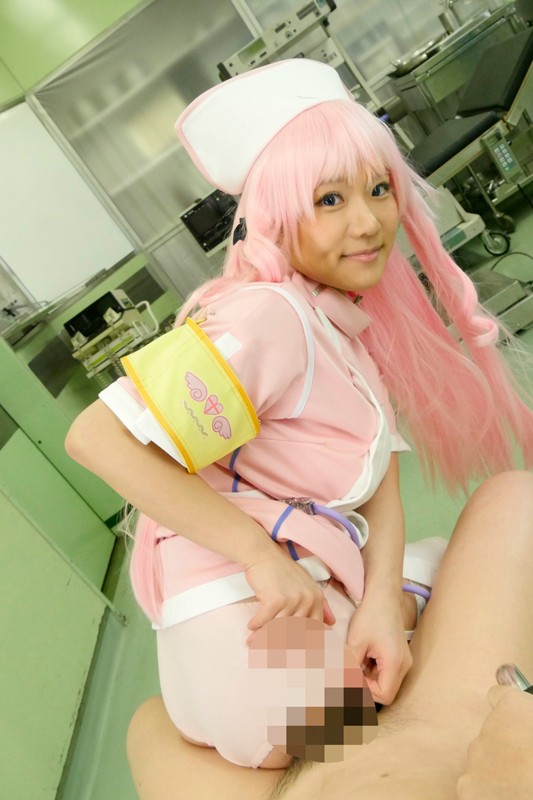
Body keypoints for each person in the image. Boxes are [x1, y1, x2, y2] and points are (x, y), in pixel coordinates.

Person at [65, 59, 533, 769]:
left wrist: (379, 604)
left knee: (430, 571)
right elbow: (95, 437)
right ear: (278, 215)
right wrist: (259, 558)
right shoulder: (267, 316)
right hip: (251, 641)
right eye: (329, 199)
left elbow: (380, 482)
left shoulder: (336, 323)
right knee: (427, 666)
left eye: (379, 189)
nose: (368, 222)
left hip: (257, 641)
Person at [125, 470, 533, 800]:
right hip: (431, 738)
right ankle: (399, 604)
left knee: (151, 725)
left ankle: (396, 605)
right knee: (514, 502)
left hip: (317, 767)